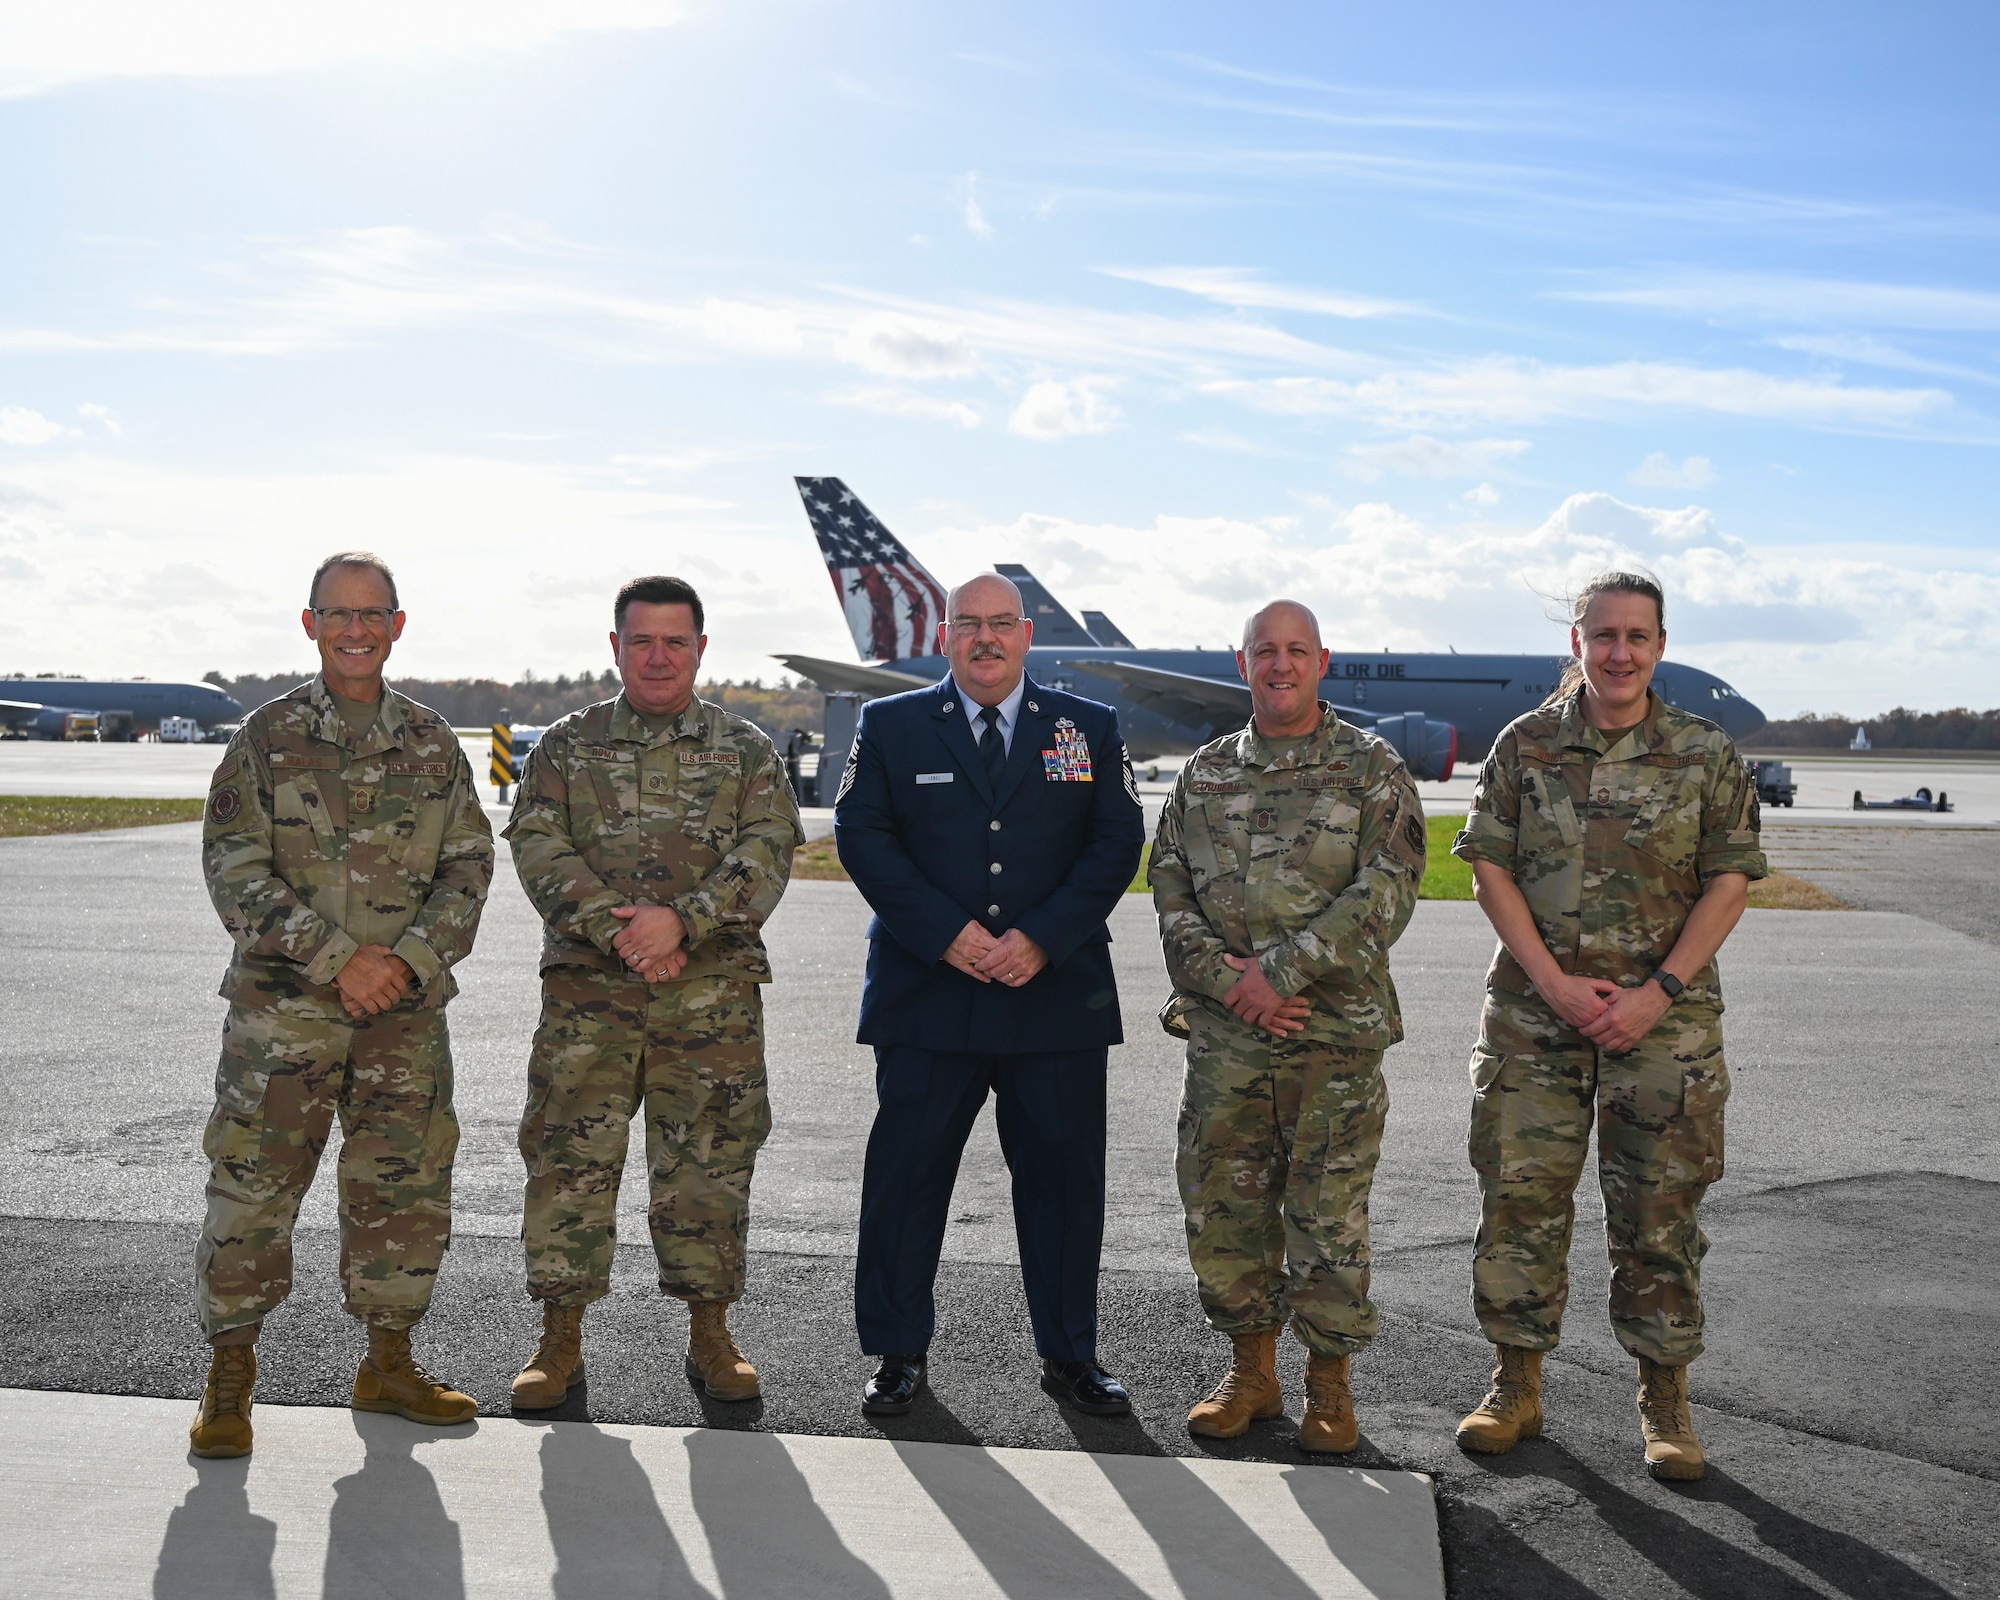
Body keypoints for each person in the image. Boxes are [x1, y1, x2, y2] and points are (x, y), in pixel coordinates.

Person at [1450, 570, 1765, 1482]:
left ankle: (1665, 1401)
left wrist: (1656, 993)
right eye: (1602, 635)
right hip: (1534, 1023)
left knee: (1659, 1217)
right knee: (1518, 1206)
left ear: (1659, 646)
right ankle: (1515, 1384)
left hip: (1664, 1030)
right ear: (1578, 644)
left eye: (1637, 636)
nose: (1619, 652)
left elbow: (1730, 880)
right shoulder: (1527, 745)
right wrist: (1550, 984)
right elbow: (1489, 869)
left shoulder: (1706, 754)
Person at [190, 552, 494, 1459]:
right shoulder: (266, 737)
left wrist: (402, 962)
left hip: (402, 1018)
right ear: (311, 624)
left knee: (401, 1192)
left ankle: (388, 1362)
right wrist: (335, 959)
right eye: (338, 614)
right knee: (251, 1193)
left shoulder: (434, 744)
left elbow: (469, 867)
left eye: (373, 615)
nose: (355, 631)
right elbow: (233, 867)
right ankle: (230, 1376)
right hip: (283, 1020)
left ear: (398, 625)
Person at [834, 570, 1145, 1417]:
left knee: (1063, 1184)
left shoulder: (1087, 727)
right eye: (967, 623)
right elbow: (862, 834)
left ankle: (1071, 1354)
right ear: (945, 637)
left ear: (1027, 634)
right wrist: (948, 934)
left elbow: (1117, 841)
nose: (985, 638)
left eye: (1000, 623)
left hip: (1055, 994)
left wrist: (1043, 936)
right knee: (906, 1177)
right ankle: (898, 1351)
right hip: (928, 990)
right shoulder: (891, 726)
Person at [505, 576, 803, 1409]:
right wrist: (622, 931)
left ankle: (711, 1332)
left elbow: (768, 854)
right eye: (643, 641)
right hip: (589, 1003)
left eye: (676, 641)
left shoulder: (746, 751)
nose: (659, 656)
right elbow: (537, 846)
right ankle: (558, 1339)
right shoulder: (567, 746)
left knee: (708, 1167)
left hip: (709, 1005)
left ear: (702, 650)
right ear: (616, 648)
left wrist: (685, 923)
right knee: (569, 1164)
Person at [1150, 600, 1426, 1453]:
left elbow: (1388, 889)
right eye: (1264, 651)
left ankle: (1330, 1388)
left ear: (1321, 661)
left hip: (1332, 1039)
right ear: (1243, 666)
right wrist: (1230, 983)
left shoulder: (1372, 769)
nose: (1280, 665)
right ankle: (1251, 1374)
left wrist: (1280, 974)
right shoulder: (1202, 775)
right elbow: (1168, 890)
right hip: (1228, 1040)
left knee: (1327, 1215)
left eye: (1295, 650)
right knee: (1224, 1209)